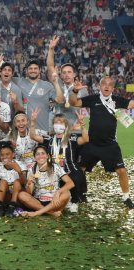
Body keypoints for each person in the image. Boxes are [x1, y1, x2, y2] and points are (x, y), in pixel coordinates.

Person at [69, 77, 134, 208]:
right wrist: (75, 91)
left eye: (110, 84)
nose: (107, 86)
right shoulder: (93, 99)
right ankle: (79, 195)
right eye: (104, 83)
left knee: (121, 170)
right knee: (79, 169)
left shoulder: (117, 100)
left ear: (113, 88)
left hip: (109, 144)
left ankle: (126, 198)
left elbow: (131, 104)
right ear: (99, 86)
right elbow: (74, 102)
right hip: (91, 143)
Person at [30, 110, 89, 208]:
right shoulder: (49, 138)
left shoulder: (71, 138)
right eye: (56, 122)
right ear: (52, 125)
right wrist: (33, 122)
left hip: (70, 169)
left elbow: (85, 140)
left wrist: (82, 125)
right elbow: (33, 136)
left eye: (61, 122)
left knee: (75, 177)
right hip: (55, 170)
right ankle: (60, 198)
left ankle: (75, 200)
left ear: (66, 125)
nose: (58, 125)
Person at [9, 60, 65, 135]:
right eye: (30, 68)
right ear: (26, 70)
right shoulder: (18, 82)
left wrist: (56, 83)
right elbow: (1, 77)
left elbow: (60, 100)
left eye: (35, 68)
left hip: (41, 129)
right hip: (23, 129)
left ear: (39, 70)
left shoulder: (47, 85)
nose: (33, 71)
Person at [47, 36, 89, 134]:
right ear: (61, 75)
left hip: (76, 130)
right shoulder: (57, 84)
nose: (66, 75)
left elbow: (89, 109)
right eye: (64, 72)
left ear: (74, 74)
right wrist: (51, 49)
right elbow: (50, 67)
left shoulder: (82, 90)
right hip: (58, 129)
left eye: (69, 72)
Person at [19, 146, 75, 217]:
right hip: (38, 202)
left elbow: (71, 183)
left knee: (66, 193)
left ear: (47, 156)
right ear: (34, 157)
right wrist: (29, 182)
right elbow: (29, 193)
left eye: (43, 153)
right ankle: (51, 213)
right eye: (38, 154)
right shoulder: (32, 170)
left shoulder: (55, 167)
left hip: (55, 201)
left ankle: (37, 213)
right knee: (22, 195)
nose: (40, 156)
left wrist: (57, 192)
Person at [0, 145, 28, 217]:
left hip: (19, 198)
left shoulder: (20, 164)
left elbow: (25, 183)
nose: (4, 157)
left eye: (7, 154)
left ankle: (12, 207)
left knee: (17, 181)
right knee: (3, 181)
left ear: (13, 154)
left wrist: (19, 171)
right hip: (6, 198)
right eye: (2, 155)